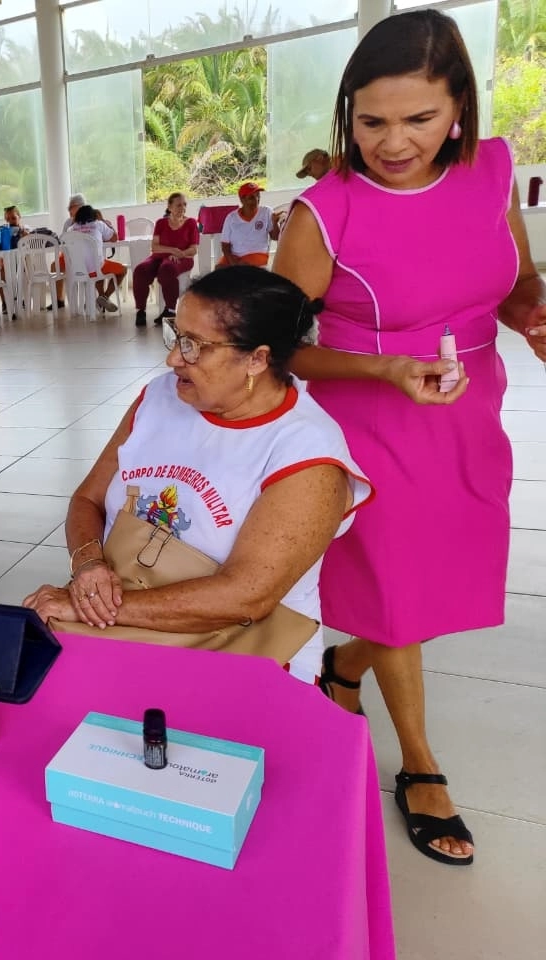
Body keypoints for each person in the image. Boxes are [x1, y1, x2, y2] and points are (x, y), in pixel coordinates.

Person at [273, 9, 546, 867]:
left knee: (432, 581)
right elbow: (275, 340)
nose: (393, 142)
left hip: (466, 406)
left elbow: (514, 279)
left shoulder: (492, 173)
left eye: (418, 119)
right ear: (348, 114)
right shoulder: (326, 212)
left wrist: (533, 311)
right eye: (371, 121)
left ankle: (344, 671)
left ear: (458, 108)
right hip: (368, 415)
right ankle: (420, 765)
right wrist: (387, 372)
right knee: (396, 583)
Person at [22, 267, 373, 686]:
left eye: (195, 346)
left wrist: (89, 607)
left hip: (241, 648)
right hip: (126, 621)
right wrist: (89, 567)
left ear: (257, 359)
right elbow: (88, 500)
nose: (174, 358)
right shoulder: (159, 398)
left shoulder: (307, 451)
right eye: (176, 336)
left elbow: (248, 595)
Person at [131, 192, 199, 327]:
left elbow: (193, 249)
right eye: (178, 205)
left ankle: (170, 311)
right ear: (169, 207)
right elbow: (154, 247)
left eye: (184, 205)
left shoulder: (191, 223)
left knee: (167, 269)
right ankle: (141, 311)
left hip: (183, 258)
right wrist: (172, 250)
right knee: (140, 270)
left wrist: (180, 253)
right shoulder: (161, 223)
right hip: (159, 256)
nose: (182, 208)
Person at [66, 205, 127, 314]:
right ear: (94, 215)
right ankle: (104, 297)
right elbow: (114, 238)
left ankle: (100, 299)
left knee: (98, 265)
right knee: (122, 269)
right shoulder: (99, 224)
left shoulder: (70, 229)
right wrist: (103, 220)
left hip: (77, 271)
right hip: (95, 269)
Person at [216, 183, 281, 268]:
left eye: (258, 196)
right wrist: (233, 262)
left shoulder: (266, 212)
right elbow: (225, 246)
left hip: (257, 254)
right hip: (234, 256)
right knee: (218, 270)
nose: (256, 199)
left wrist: (275, 223)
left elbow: (276, 237)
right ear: (242, 200)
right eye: (251, 197)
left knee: (245, 268)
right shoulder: (231, 217)